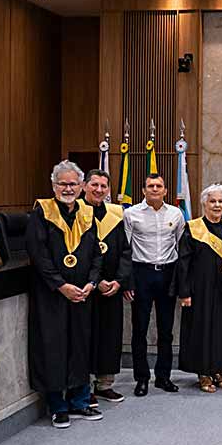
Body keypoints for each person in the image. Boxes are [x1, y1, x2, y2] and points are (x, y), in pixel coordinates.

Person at [26, 160, 103, 428]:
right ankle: (58, 406)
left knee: (80, 345)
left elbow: (97, 254)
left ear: (82, 186)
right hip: (52, 296)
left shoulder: (88, 213)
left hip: (82, 293)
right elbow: (39, 256)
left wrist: (92, 282)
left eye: (72, 184)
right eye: (63, 184)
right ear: (53, 186)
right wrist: (61, 286)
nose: (68, 188)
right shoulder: (41, 213)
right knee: (54, 346)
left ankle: (80, 400)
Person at [123, 173, 185, 397]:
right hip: (141, 274)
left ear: (166, 191)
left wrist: (181, 282)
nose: (155, 189)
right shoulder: (131, 214)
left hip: (167, 274)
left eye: (159, 186)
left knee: (166, 330)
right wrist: (127, 282)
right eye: (150, 186)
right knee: (139, 329)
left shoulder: (176, 214)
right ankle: (141, 379)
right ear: (143, 190)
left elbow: (181, 246)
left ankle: (163, 377)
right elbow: (125, 249)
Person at [174, 184, 222, 393]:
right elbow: (183, 263)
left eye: (220, 201)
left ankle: (218, 369)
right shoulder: (193, 228)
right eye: (212, 201)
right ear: (204, 204)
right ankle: (203, 372)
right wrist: (184, 292)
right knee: (200, 330)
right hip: (199, 289)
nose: (217, 205)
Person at [82, 169, 131, 406]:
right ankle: (85, 385)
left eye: (104, 186)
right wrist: (96, 280)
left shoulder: (116, 214)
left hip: (112, 288)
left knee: (110, 335)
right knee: (88, 335)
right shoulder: (76, 213)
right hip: (87, 288)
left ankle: (104, 384)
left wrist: (119, 281)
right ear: (84, 186)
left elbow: (125, 251)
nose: (99, 190)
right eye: (94, 185)